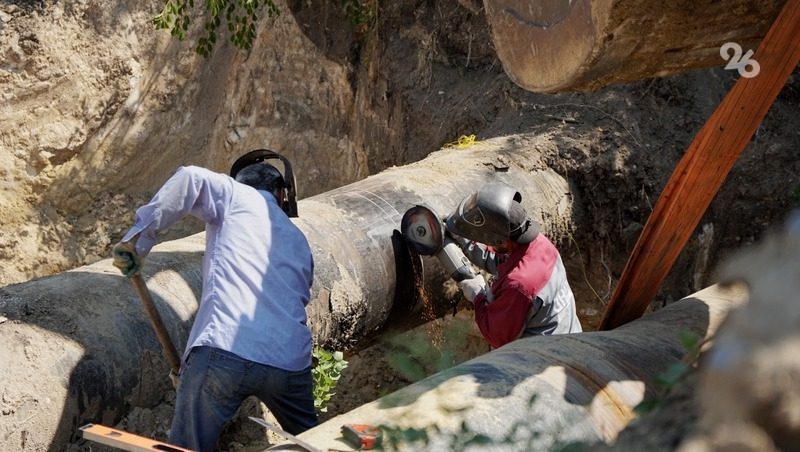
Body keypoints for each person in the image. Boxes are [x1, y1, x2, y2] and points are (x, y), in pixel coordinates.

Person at [111, 152, 316, 452]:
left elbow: (190, 178)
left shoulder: (236, 195)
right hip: (289, 365)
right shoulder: (299, 240)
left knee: (188, 448)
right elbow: (298, 295)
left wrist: (137, 240)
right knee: (318, 442)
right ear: (283, 194)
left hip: (224, 350)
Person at [446, 181, 582, 348]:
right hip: (571, 340)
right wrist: (463, 237)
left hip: (543, 361)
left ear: (501, 241)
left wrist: (478, 296)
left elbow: (497, 336)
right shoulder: (540, 244)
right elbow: (499, 259)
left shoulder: (519, 285)